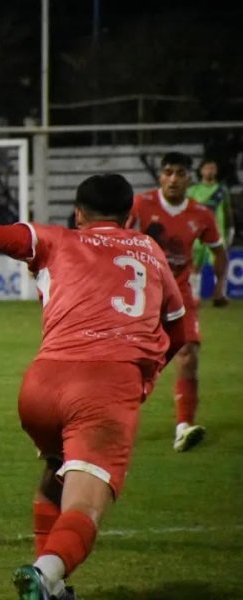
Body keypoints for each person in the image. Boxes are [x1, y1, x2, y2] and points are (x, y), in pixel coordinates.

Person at [0, 173, 187, 600]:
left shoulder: (60, 239)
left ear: (78, 214)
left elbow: (21, 236)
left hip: (41, 386)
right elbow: (177, 331)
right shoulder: (149, 249)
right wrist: (143, 379)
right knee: (85, 506)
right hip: (104, 388)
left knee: (56, 474)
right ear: (129, 215)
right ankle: (44, 573)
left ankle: (52, 590)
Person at [128, 151, 229, 452]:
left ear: (189, 179)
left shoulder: (201, 214)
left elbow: (219, 252)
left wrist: (219, 289)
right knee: (128, 363)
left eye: (180, 173)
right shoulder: (141, 204)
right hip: (141, 293)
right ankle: (103, 421)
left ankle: (183, 427)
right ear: (160, 176)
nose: (173, 179)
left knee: (188, 354)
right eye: (168, 172)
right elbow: (116, 237)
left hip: (179, 294)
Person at [188, 158, 235, 295]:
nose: (210, 171)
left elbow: (227, 211)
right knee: (195, 266)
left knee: (219, 265)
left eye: (213, 168)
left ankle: (220, 294)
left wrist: (230, 230)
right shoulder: (192, 191)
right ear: (201, 171)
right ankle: (194, 295)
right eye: (207, 168)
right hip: (197, 234)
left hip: (217, 233)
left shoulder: (222, 190)